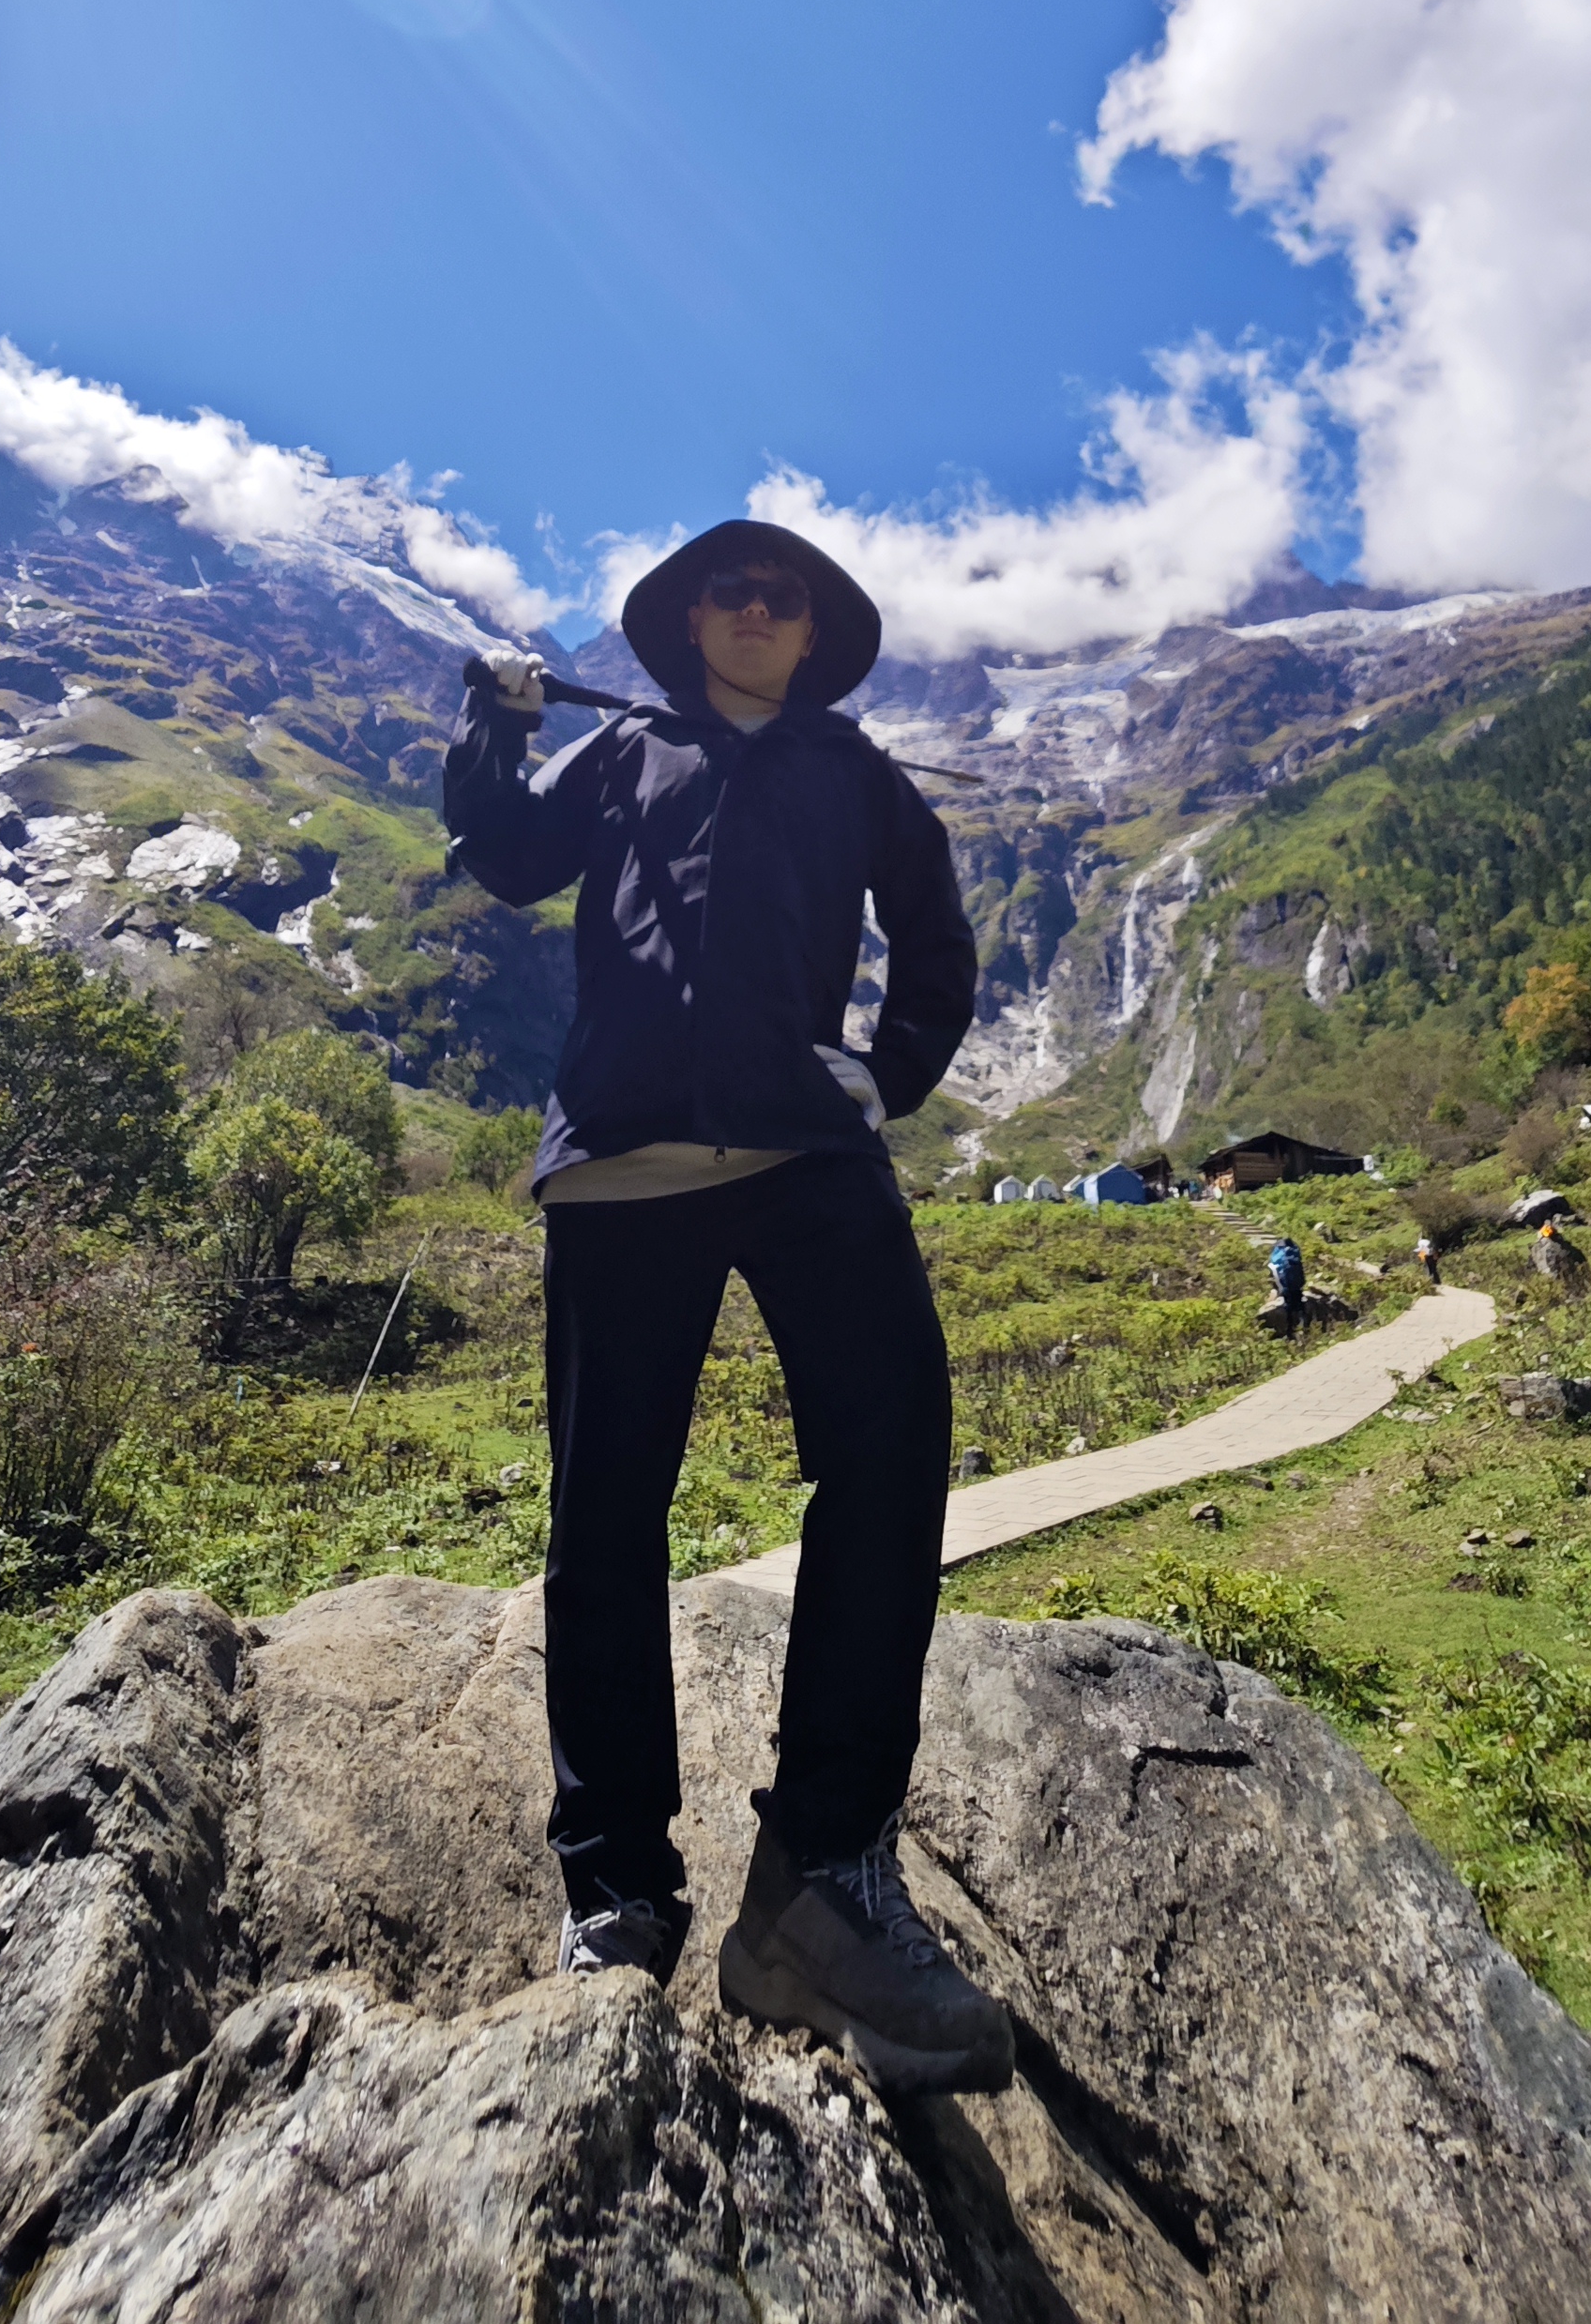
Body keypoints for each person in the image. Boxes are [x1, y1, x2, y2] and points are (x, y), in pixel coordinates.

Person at [443, 516, 1013, 2097]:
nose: (757, 608)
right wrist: (487, 722)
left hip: (807, 1152)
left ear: (814, 628)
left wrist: (886, 1071)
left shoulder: (853, 773)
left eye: (785, 594)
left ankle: (818, 1882)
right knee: (604, 1518)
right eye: (730, 590)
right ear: (689, 619)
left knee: (891, 1456)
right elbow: (502, 856)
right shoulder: (617, 757)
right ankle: (616, 1892)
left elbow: (936, 938)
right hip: (623, 1159)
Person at [1266, 1233, 1307, 1342]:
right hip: (1297, 1284)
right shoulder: (1294, 1250)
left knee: (1289, 1307)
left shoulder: (1278, 1252)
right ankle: (1303, 1328)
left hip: (1286, 1284)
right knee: (1299, 1305)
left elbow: (1275, 1271)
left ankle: (1290, 1333)